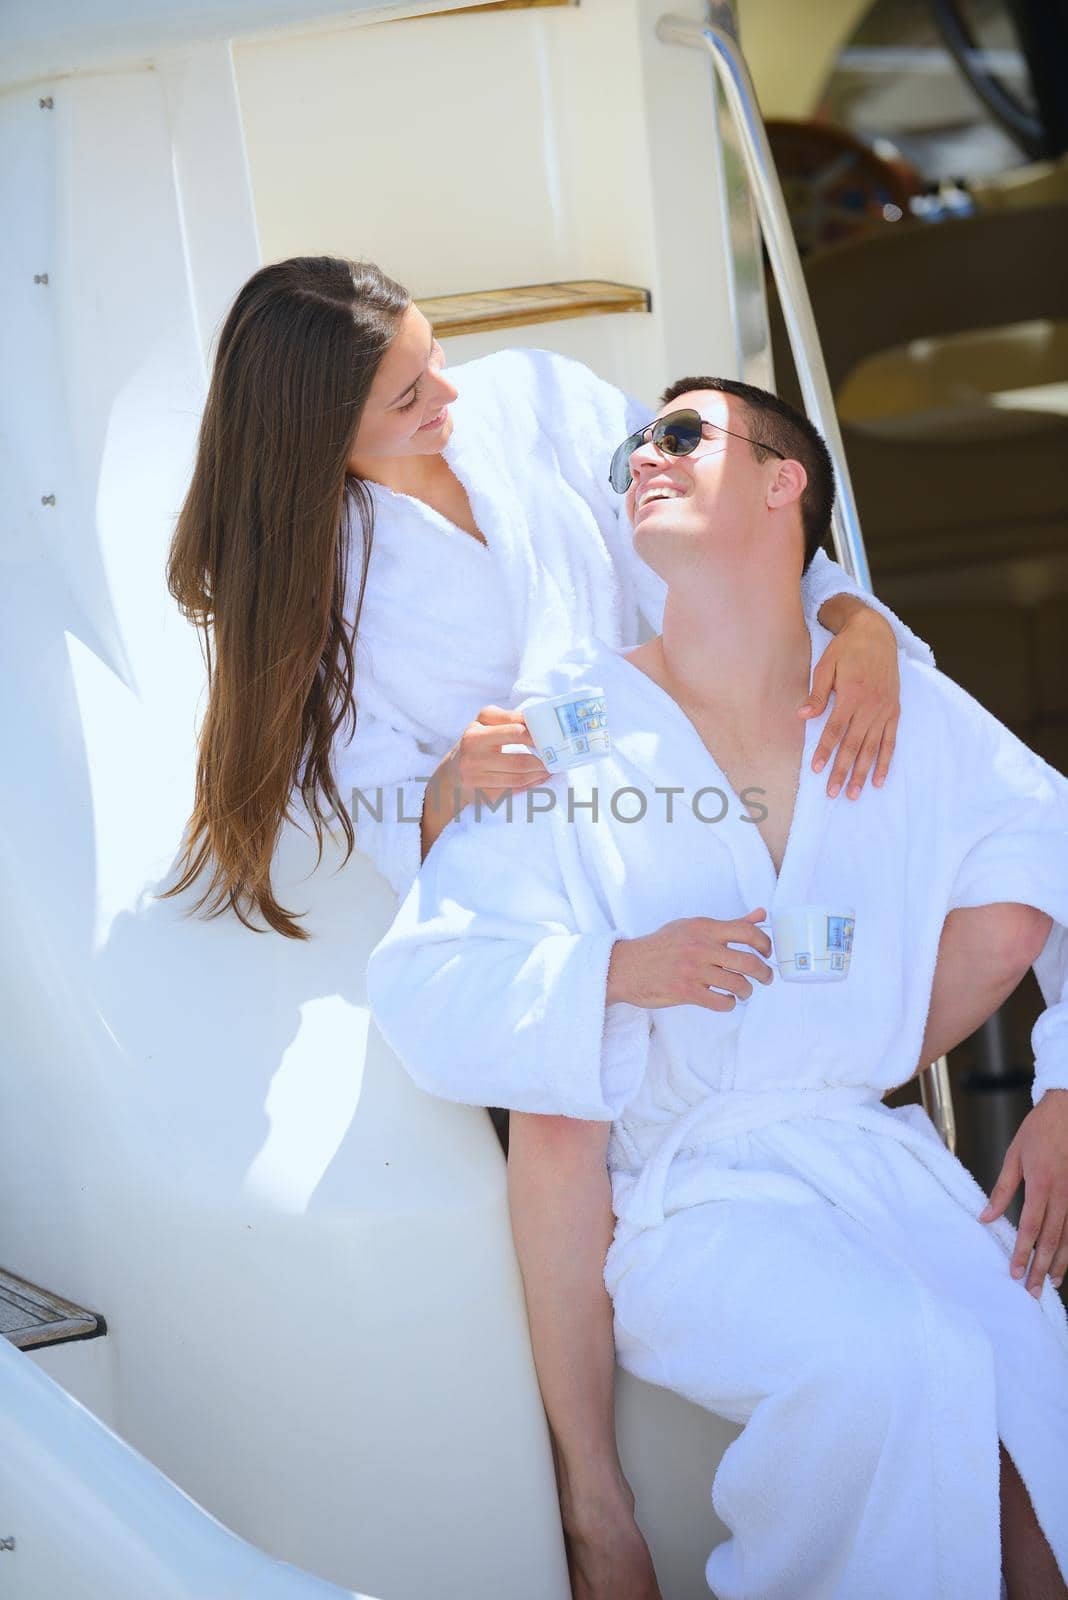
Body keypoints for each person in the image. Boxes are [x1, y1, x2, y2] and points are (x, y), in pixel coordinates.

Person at [163, 257, 1035, 1597]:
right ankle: (591, 1499)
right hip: (548, 813)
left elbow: (730, 515)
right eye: (406, 396)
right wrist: (458, 796)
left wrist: (857, 621)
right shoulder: (312, 585)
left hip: (676, 762)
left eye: (435, 356)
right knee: (570, 1091)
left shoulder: (534, 408)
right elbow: (369, 794)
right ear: (315, 437)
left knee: (1014, 1392)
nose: (448, 395)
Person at [365, 377, 1068, 1599]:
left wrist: (1063, 1087)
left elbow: (1050, 853)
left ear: (785, 480)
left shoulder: (890, 701)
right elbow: (430, 986)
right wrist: (622, 969)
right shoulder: (567, 732)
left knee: (1032, 1423)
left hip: (873, 1161)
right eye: (636, 444)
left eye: (683, 435)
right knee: (889, 1364)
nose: (647, 455)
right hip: (685, 1201)